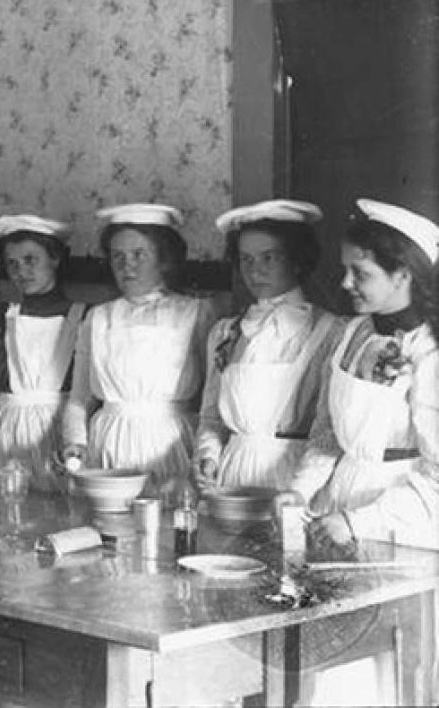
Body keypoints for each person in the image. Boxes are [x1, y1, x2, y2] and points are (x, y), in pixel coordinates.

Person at [288, 199, 439, 551]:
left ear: (403, 274)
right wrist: (299, 491)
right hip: (337, 505)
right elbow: (327, 436)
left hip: (401, 520)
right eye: (345, 269)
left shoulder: (429, 352)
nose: (345, 283)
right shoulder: (352, 334)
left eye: (361, 273)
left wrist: (361, 522)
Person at [61, 204, 218, 496]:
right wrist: (75, 442)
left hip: (170, 443)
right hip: (108, 443)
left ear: (165, 260)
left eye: (138, 255)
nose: (126, 265)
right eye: (117, 256)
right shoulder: (98, 317)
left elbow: (212, 397)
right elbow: (79, 398)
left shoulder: (195, 312)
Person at [194, 200, 342, 490]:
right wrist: (209, 456)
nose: (255, 271)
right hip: (231, 474)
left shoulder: (331, 332)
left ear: (297, 259)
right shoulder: (225, 331)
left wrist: (299, 492)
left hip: (293, 477)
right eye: (245, 259)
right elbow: (211, 416)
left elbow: (328, 433)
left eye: (269, 258)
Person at [0, 214, 86, 491]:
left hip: (60, 435)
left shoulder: (83, 318)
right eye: (12, 264)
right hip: (5, 434)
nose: (21, 272)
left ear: (55, 259)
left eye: (31, 260)